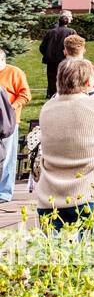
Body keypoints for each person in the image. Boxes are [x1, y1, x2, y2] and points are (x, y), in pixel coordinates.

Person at [33, 59, 94, 238]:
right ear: (88, 82)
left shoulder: (48, 108)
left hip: (51, 195)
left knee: (58, 260)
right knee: (90, 258)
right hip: (91, 193)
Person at [0, 49, 31, 204]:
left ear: (3, 60)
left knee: (8, 157)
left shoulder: (15, 72)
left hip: (8, 121)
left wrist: (12, 106)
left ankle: (4, 192)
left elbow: (25, 94)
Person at [38, 11, 76, 98]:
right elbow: (75, 45)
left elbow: (42, 47)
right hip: (64, 59)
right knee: (64, 77)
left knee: (52, 79)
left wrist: (48, 54)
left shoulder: (51, 32)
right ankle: (63, 94)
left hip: (51, 60)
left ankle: (51, 95)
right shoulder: (71, 32)